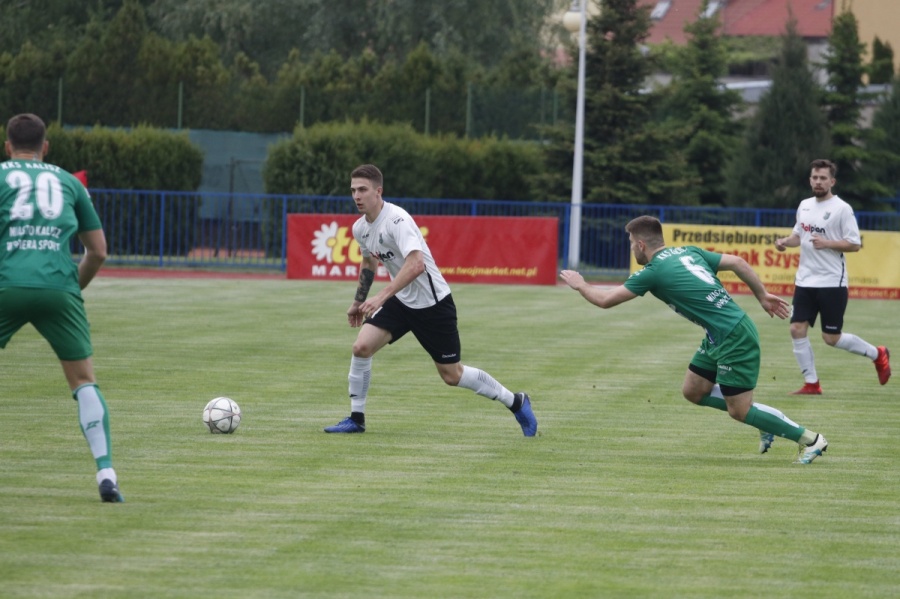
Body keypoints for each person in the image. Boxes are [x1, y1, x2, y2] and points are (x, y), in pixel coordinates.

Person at [560, 215, 828, 464]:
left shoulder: (653, 271)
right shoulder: (688, 250)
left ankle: (811, 439)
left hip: (733, 336)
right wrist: (761, 295)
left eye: (632, 244)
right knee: (693, 390)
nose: (632, 249)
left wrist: (580, 284)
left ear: (641, 244)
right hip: (720, 333)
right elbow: (737, 262)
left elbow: (605, 300)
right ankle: (763, 420)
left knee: (739, 411)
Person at [324, 164, 537, 436]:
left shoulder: (397, 221)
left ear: (379, 192)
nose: (356, 196)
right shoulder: (360, 228)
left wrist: (381, 296)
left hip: (433, 304)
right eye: (353, 190)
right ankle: (356, 418)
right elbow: (368, 263)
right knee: (361, 347)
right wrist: (358, 301)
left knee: (452, 375)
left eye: (363, 190)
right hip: (401, 300)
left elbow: (416, 265)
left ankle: (516, 401)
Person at [1, 113, 123, 502]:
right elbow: (98, 251)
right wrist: (72, 289)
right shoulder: (69, 181)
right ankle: (106, 472)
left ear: (7, 146)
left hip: (5, 283)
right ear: (46, 147)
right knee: (84, 381)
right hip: (58, 285)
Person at [774, 158, 890, 395]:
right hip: (805, 281)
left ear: (832, 181)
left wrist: (827, 243)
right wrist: (785, 242)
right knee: (796, 328)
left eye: (823, 178)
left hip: (831, 282)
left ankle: (878, 354)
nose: (818, 181)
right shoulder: (804, 205)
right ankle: (812, 384)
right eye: (815, 177)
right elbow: (799, 236)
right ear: (810, 179)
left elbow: (855, 244)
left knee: (831, 338)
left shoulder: (842, 209)